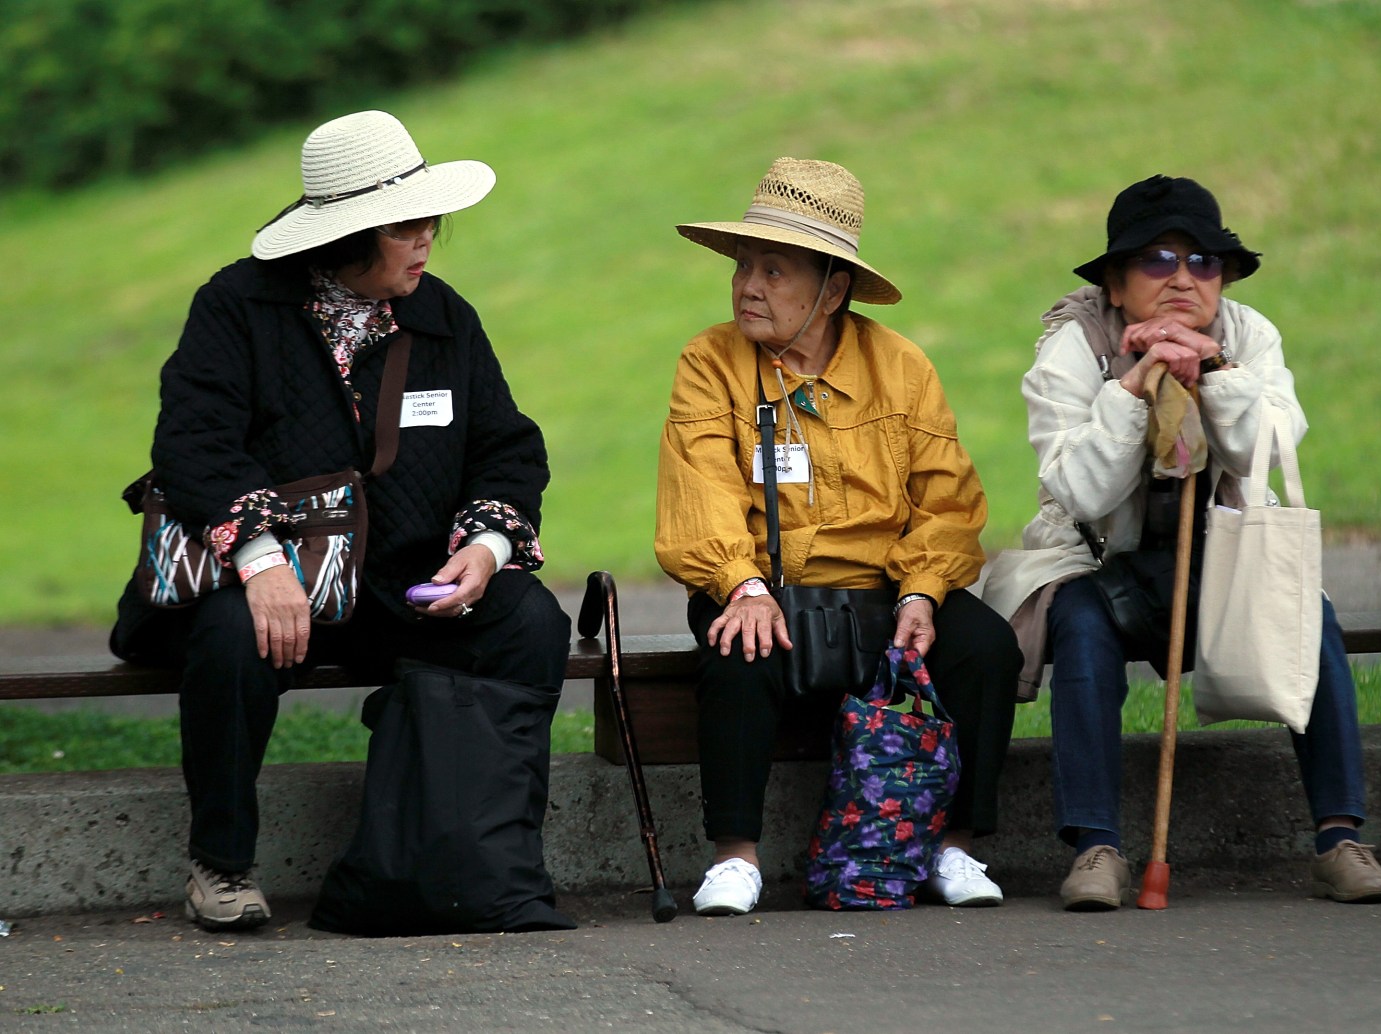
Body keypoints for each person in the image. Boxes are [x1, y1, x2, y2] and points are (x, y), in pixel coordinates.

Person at [110, 110, 570, 931]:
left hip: (405, 584)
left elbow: (507, 448)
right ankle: (221, 864)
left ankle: (481, 852)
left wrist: (488, 548)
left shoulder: (444, 316)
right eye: (407, 225)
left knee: (529, 622)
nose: (429, 238)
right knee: (228, 638)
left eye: (433, 219)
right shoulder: (236, 307)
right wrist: (261, 562)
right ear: (349, 236)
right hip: (273, 586)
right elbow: (193, 444)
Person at [981, 174, 1381, 910]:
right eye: (1158, 260)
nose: (1184, 277)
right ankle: (1095, 848)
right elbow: (1081, 490)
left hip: (1224, 555)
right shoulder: (1070, 347)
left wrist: (1213, 368)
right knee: (1078, 628)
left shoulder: (1248, 335)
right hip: (1101, 563)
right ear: (1114, 282)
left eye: (1203, 262)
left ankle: (1340, 838)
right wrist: (1133, 387)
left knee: (1313, 617)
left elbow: (1267, 450)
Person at [655, 157, 1023, 916]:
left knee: (985, 647)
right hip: (762, 584)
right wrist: (744, 585)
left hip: (883, 592)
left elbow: (948, 503)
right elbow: (701, 492)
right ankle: (735, 858)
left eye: (775, 271)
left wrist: (923, 592)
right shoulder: (709, 361)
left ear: (834, 288)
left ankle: (953, 849)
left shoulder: (901, 366)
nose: (748, 286)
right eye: (744, 266)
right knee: (738, 642)